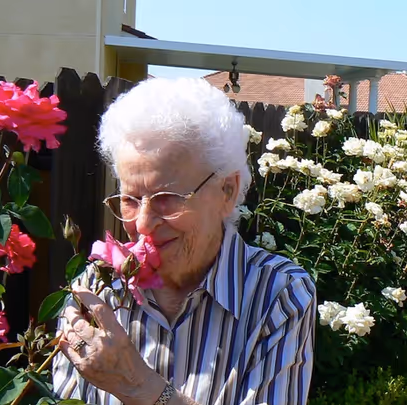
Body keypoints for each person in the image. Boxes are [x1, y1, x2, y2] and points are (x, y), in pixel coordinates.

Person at [52, 77, 316, 405]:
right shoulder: (97, 291)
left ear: (227, 191)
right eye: (130, 199)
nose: (143, 224)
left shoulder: (277, 294)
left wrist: (139, 384)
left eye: (167, 197)